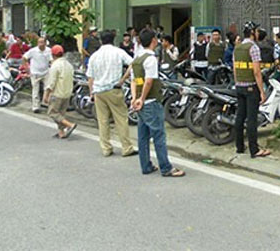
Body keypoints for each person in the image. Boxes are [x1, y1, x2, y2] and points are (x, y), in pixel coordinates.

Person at [131, 29, 185, 177]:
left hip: (141, 104)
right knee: (159, 136)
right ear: (153, 40)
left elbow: (134, 81)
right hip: (151, 102)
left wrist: (135, 99)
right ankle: (166, 167)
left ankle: (146, 165)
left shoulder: (136, 59)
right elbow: (149, 81)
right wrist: (142, 99)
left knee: (143, 136)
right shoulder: (150, 59)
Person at [86, 30, 137, 158]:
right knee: (121, 118)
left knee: (103, 121)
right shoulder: (118, 52)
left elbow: (90, 77)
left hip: (99, 91)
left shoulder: (94, 56)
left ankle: (106, 148)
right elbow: (133, 63)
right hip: (114, 88)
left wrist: (91, 92)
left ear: (101, 41)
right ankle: (126, 147)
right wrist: (123, 79)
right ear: (113, 39)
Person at [233, 21, 270, 158]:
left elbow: (235, 69)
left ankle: (239, 147)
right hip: (250, 87)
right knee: (252, 119)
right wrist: (262, 91)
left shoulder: (237, 47)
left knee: (240, 117)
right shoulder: (253, 48)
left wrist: (237, 83)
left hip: (239, 86)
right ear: (253, 33)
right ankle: (254, 150)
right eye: (257, 30)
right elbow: (257, 72)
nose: (258, 32)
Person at [42, 45, 76, 139]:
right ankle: (61, 133)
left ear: (53, 55)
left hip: (57, 93)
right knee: (61, 113)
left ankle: (69, 125)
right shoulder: (69, 65)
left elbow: (51, 83)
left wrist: (46, 95)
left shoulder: (55, 65)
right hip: (67, 93)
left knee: (52, 113)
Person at [23, 37, 52, 113]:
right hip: (35, 73)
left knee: (48, 88)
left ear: (45, 43)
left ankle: (46, 103)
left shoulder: (48, 50)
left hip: (45, 72)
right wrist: (27, 68)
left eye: (42, 42)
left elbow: (51, 60)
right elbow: (24, 57)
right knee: (35, 90)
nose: (40, 44)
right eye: (39, 42)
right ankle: (35, 106)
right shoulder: (33, 51)